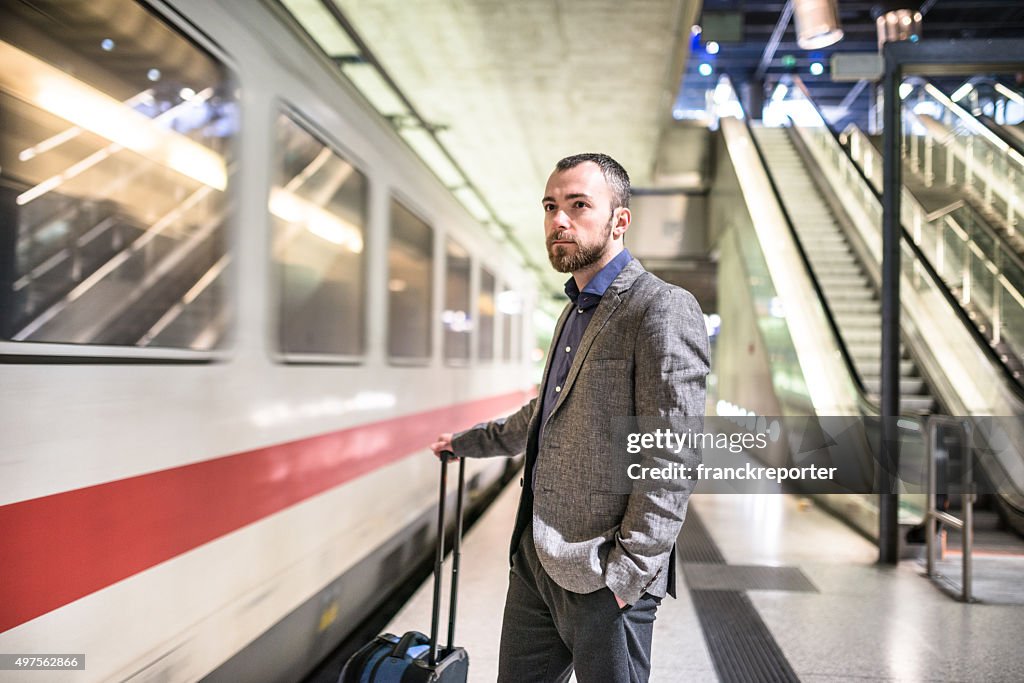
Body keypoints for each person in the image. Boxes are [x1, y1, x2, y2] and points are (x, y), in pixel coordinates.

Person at [430, 153, 709, 683]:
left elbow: (671, 448)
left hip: (606, 572)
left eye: (579, 205)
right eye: (551, 206)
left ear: (619, 220)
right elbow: (545, 413)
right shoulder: (574, 308)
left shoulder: (661, 308)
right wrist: (468, 443)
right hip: (535, 562)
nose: (560, 220)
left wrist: (630, 571)